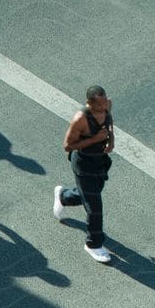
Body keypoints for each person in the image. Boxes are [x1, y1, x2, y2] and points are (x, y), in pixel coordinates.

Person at [54, 86, 115, 262]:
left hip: (100, 161)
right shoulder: (80, 119)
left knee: (91, 194)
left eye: (104, 104)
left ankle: (64, 197)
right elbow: (67, 146)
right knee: (95, 207)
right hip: (83, 165)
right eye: (98, 106)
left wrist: (110, 140)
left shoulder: (106, 105)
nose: (102, 108)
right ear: (88, 103)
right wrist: (95, 139)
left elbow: (109, 122)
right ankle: (93, 244)